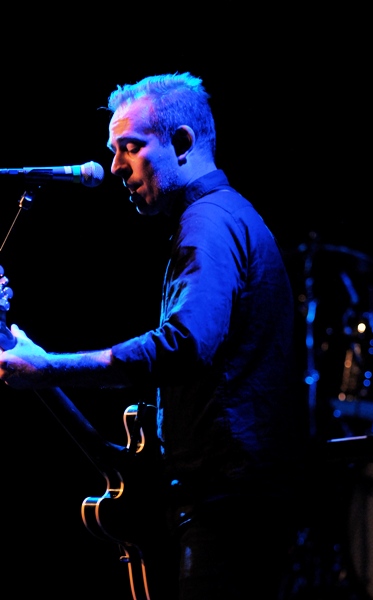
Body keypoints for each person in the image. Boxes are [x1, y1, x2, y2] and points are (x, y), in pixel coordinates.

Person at [0, 72, 308, 599]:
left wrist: (47, 366)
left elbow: (184, 346)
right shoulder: (219, 218)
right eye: (113, 150)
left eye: (131, 147)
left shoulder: (209, 223)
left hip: (229, 511)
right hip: (225, 505)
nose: (116, 166)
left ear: (183, 143)